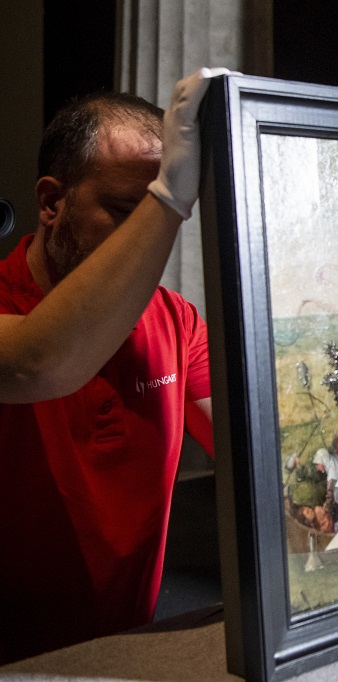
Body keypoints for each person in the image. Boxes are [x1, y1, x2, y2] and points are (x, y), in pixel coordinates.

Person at [0, 68, 229, 662]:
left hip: (122, 653)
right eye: (128, 210)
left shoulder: (177, 321)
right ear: (52, 203)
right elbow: (37, 363)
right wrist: (168, 200)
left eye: (160, 214)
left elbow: (250, 450)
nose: (149, 237)